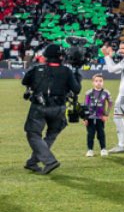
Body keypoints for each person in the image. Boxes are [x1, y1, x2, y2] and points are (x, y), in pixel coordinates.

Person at [21, 43, 81, 174]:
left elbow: (24, 81)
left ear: (46, 56)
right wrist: (77, 75)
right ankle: (32, 162)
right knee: (52, 133)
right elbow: (76, 89)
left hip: (39, 107)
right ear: (61, 57)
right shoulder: (67, 71)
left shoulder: (37, 69)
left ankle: (49, 161)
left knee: (33, 133)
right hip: (59, 107)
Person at [83, 74, 111, 158]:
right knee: (90, 134)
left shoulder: (106, 92)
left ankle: (103, 149)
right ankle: (90, 150)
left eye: (100, 81)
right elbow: (85, 105)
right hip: (90, 117)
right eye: (96, 81)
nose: (98, 83)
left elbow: (110, 103)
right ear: (93, 82)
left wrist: (106, 114)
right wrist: (85, 118)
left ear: (103, 82)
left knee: (101, 134)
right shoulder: (88, 92)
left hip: (100, 117)